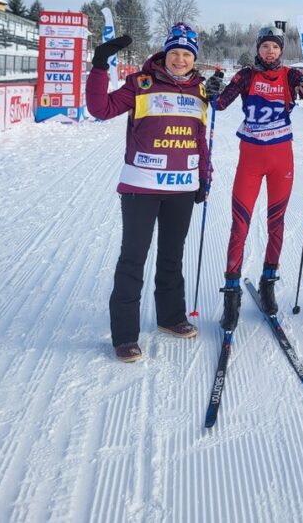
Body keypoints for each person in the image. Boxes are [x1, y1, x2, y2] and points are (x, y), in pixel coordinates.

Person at [86, 24, 210, 362]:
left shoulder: (200, 91)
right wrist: (99, 66)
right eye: (175, 53)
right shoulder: (141, 84)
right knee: (133, 259)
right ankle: (125, 336)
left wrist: (204, 177)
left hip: (181, 188)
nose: (181, 59)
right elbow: (101, 109)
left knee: (172, 256)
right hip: (141, 186)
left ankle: (171, 317)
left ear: (193, 58)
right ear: (165, 54)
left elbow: (200, 139)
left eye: (187, 54)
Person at [205, 25, 303, 330]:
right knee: (240, 224)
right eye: (265, 47)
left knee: (277, 223)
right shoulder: (246, 75)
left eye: (274, 47)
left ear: (281, 50)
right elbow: (219, 103)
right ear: (258, 49)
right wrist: (212, 88)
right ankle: (231, 296)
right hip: (251, 156)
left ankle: (268, 282)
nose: (269, 52)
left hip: (280, 158)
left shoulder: (292, 76)